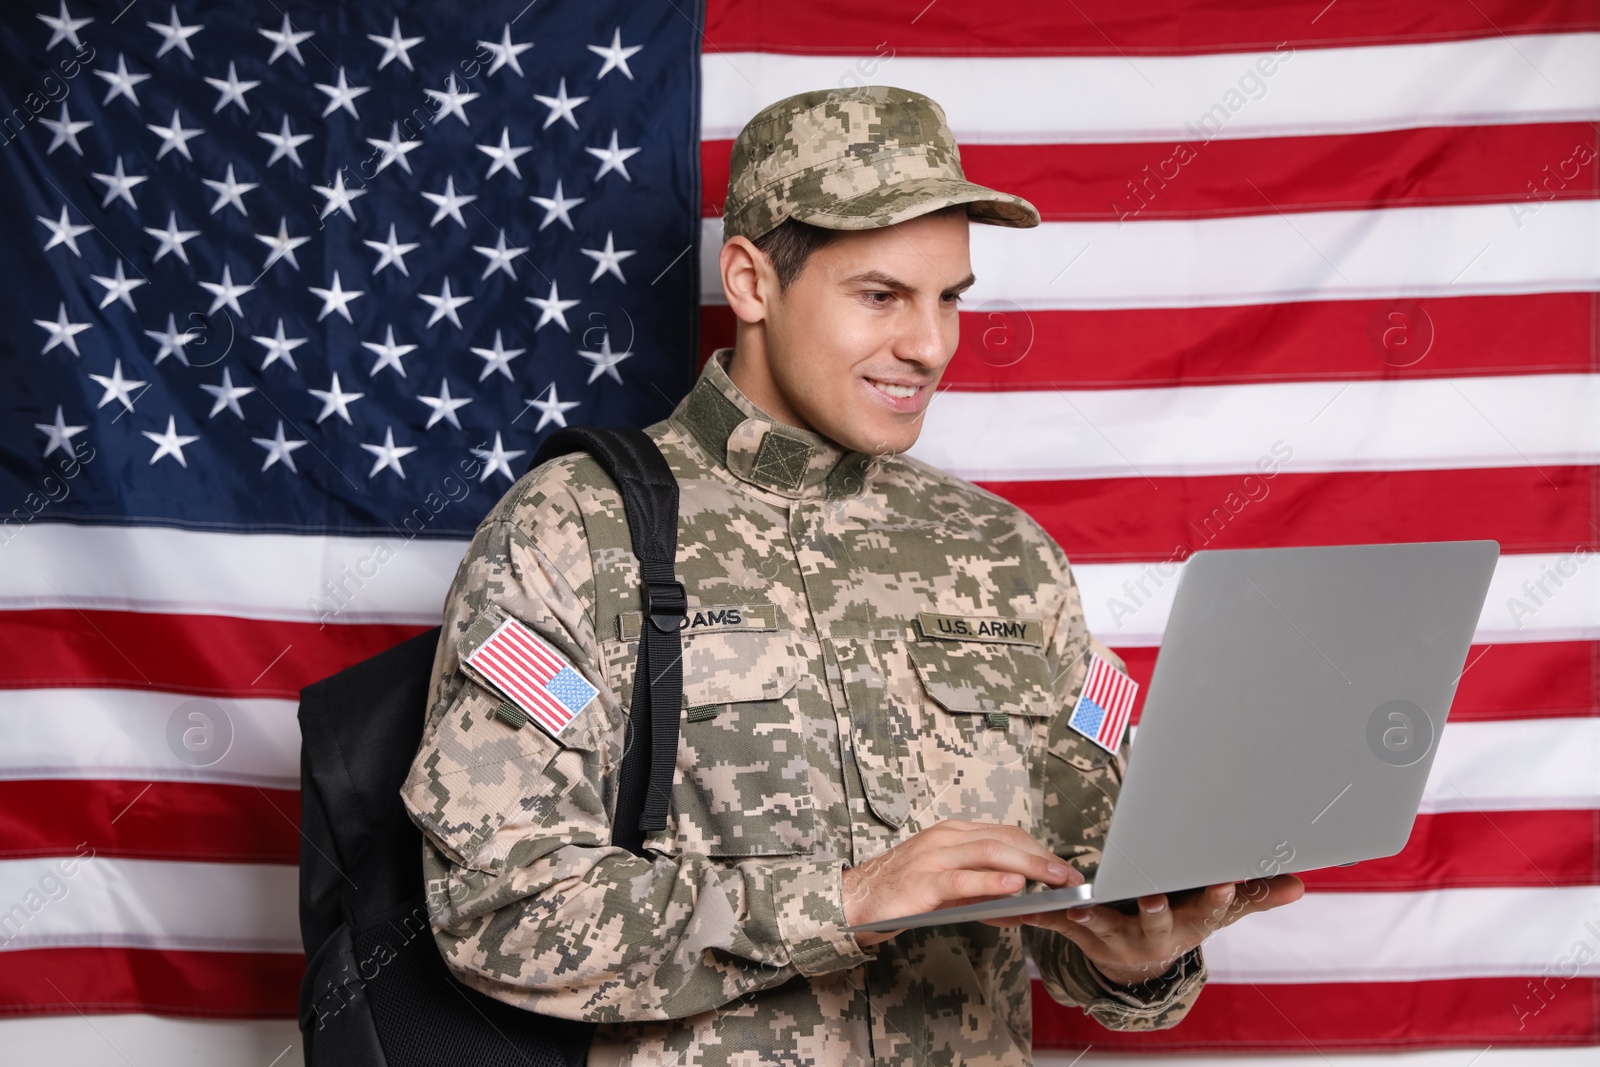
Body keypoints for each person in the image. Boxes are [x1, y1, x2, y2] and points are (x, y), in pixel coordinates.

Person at [400, 84, 1303, 1065]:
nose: (928, 344)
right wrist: (842, 902)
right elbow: (498, 908)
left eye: (948, 298)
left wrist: (1137, 954)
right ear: (749, 281)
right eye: (881, 295)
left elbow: (1081, 897)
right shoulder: (571, 531)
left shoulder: (1004, 555)